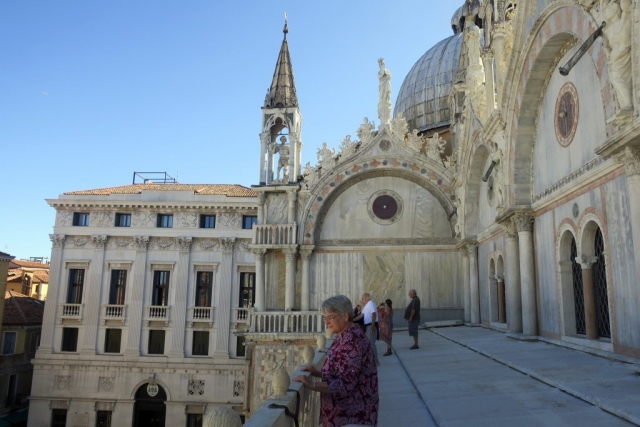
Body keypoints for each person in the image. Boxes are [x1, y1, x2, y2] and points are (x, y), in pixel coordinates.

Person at [293, 295, 379, 427]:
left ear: (345, 316)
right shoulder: (345, 335)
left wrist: (312, 385)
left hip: (353, 417)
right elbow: (345, 371)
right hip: (344, 416)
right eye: (324, 318)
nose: (326, 322)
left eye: (330, 317)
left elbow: (345, 384)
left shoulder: (352, 341)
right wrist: (318, 373)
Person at [354, 293, 379, 366]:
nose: (362, 300)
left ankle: (376, 361)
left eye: (362, 298)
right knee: (369, 344)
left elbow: (374, 314)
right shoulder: (367, 306)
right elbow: (361, 315)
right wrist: (352, 320)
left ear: (366, 298)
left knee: (372, 343)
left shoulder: (371, 303)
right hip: (368, 326)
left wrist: (373, 325)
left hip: (371, 325)